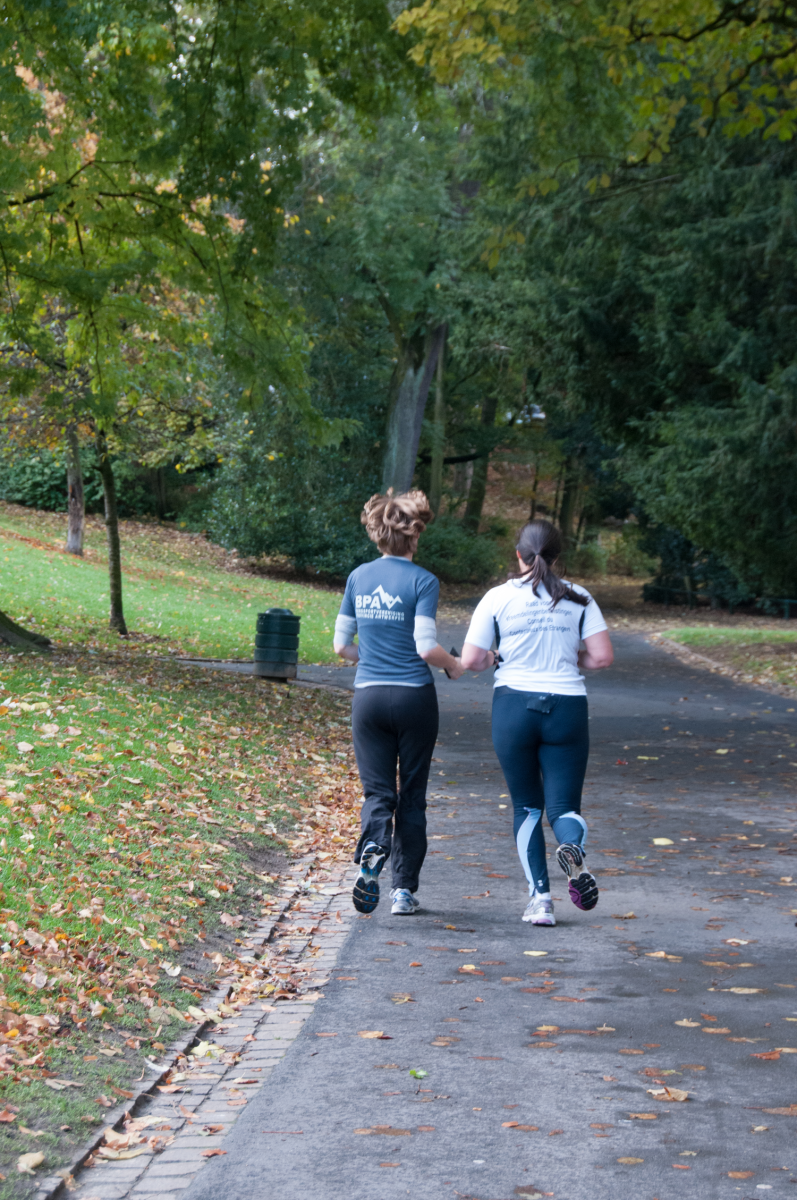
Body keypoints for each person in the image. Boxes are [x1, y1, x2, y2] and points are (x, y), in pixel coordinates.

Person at [461, 519, 613, 926]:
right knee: (564, 805)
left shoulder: (496, 598)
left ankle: (540, 901)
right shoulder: (580, 597)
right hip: (567, 707)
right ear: (558, 556)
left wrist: (497, 657)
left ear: (518, 555)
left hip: (514, 707)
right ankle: (572, 847)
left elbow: (473, 659)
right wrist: (568, 657)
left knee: (527, 807)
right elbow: (600, 657)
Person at [333, 490, 464, 916]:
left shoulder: (358, 578)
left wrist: (369, 657)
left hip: (369, 698)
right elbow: (426, 648)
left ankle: (373, 847)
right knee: (412, 794)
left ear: (377, 535)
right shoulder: (423, 581)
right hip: (413, 699)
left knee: (377, 792)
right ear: (415, 537)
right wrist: (456, 664)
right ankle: (402, 891)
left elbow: (340, 647)